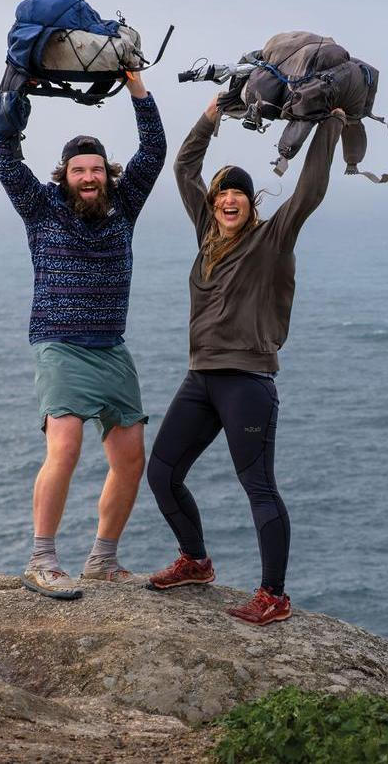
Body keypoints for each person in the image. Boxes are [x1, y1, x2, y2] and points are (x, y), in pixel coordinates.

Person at [144, 95, 344, 625]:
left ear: (252, 203)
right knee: (162, 472)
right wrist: (212, 113)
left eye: (238, 194)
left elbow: (309, 190)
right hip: (201, 377)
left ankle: (273, 595)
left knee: (258, 487)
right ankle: (196, 560)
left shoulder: (272, 239)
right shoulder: (206, 235)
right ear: (213, 205)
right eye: (221, 194)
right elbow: (185, 167)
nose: (228, 201)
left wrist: (328, 127)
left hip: (247, 381)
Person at [0, 70, 166, 599]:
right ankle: (42, 558)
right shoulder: (41, 209)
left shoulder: (125, 205)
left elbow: (154, 148)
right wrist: (12, 95)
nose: (87, 177)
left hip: (111, 347)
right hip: (60, 344)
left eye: (95, 169)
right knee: (63, 448)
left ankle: (102, 560)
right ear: (64, 175)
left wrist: (136, 85)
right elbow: (4, 161)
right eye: (77, 169)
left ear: (107, 174)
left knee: (131, 457)